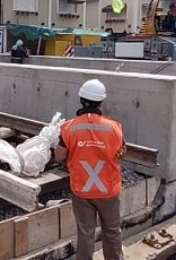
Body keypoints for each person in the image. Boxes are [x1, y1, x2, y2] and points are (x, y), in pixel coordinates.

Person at [54, 79, 125, 260]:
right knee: (112, 231)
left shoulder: (69, 128)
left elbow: (59, 156)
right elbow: (122, 153)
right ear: (101, 102)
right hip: (108, 190)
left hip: (82, 189)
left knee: (85, 233)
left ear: (81, 100)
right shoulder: (114, 128)